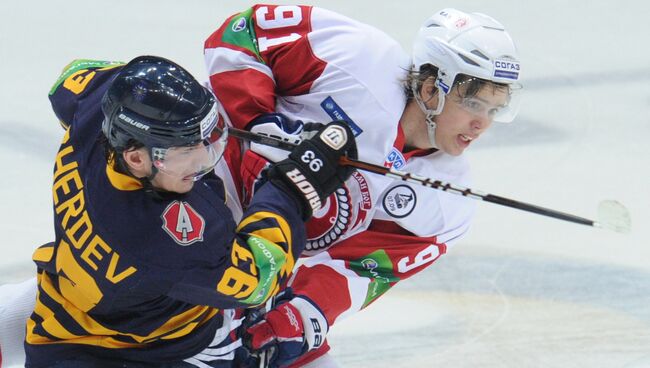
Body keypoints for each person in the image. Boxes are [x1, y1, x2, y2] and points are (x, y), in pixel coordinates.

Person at [203, 5, 522, 367]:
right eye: (473, 103)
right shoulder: (357, 59)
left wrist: (303, 314)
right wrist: (258, 122)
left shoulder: (448, 202)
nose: (483, 123)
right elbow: (242, 34)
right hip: (187, 195)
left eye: (494, 109)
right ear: (432, 90)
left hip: (253, 268)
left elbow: (361, 269)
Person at [20, 55, 357, 367]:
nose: (203, 159)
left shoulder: (100, 105)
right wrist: (292, 190)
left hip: (67, 317)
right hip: (141, 354)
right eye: (188, 149)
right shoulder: (167, 236)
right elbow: (258, 277)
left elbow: (69, 79)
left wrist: (150, 95)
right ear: (138, 158)